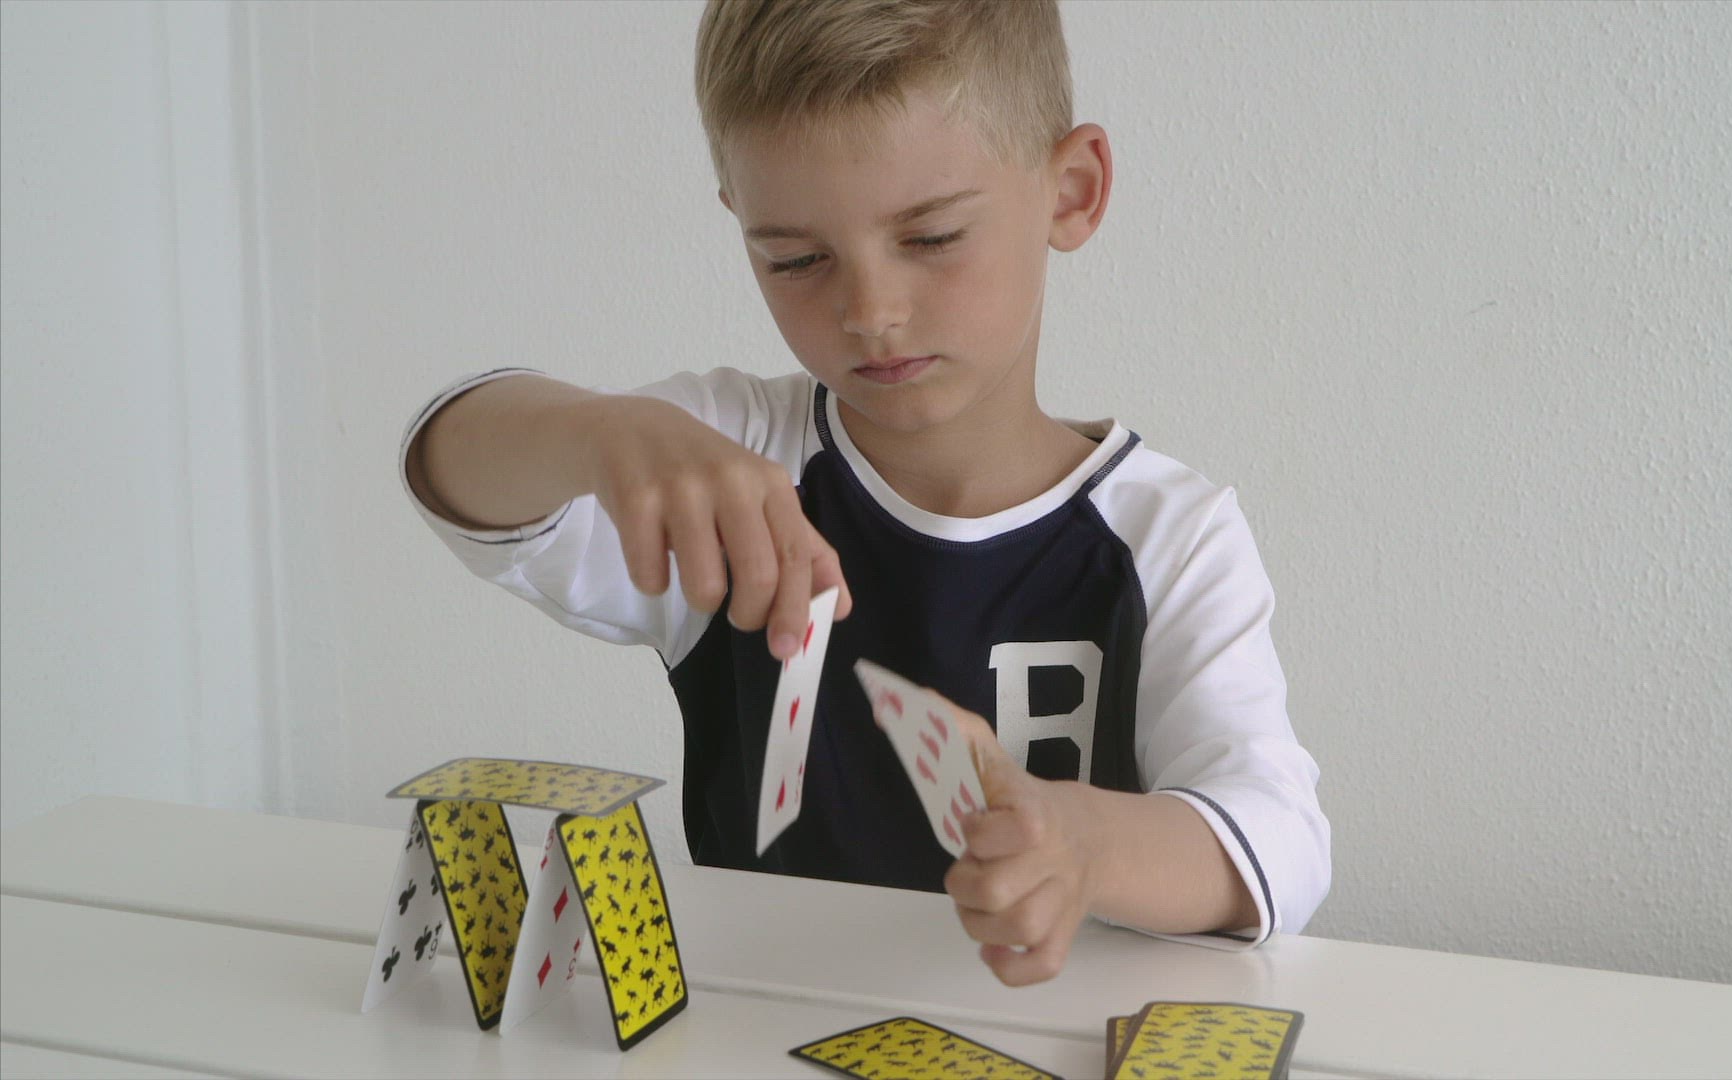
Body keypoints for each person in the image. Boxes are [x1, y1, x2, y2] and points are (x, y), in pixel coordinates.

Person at [400, 0, 1328, 986]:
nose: (870, 312)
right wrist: (602, 437)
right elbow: (451, 469)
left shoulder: (1170, 536)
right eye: (796, 259)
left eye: (931, 237)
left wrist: (1083, 842)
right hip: (754, 1034)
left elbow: (1279, 842)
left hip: (1053, 1036)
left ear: (1072, 191)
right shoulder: (733, 455)